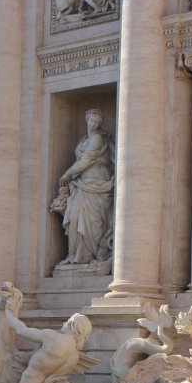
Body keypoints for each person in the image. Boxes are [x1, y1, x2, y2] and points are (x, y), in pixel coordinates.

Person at [52, 108, 115, 268]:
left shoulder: (98, 139)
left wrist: (67, 174)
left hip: (97, 183)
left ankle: (91, 255)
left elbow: (86, 161)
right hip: (82, 184)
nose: (93, 124)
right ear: (87, 121)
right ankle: (74, 255)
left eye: (96, 122)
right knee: (74, 217)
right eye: (91, 120)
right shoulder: (83, 140)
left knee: (94, 222)